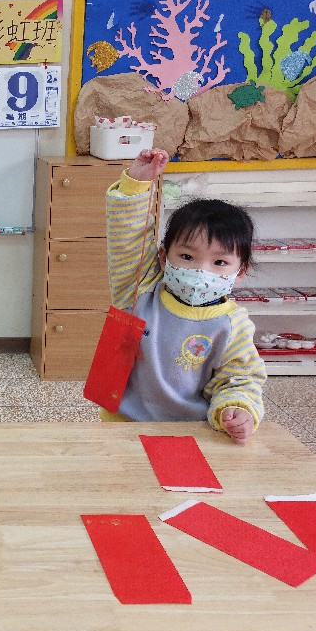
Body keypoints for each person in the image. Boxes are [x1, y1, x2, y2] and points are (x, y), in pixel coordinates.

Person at [103, 148, 265, 443]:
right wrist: (137, 185)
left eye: (219, 262)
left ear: (240, 271)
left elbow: (239, 380)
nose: (201, 271)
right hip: (122, 424)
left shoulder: (233, 325)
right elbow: (127, 239)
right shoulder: (140, 289)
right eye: (187, 257)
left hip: (190, 432)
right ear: (164, 257)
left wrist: (237, 408)